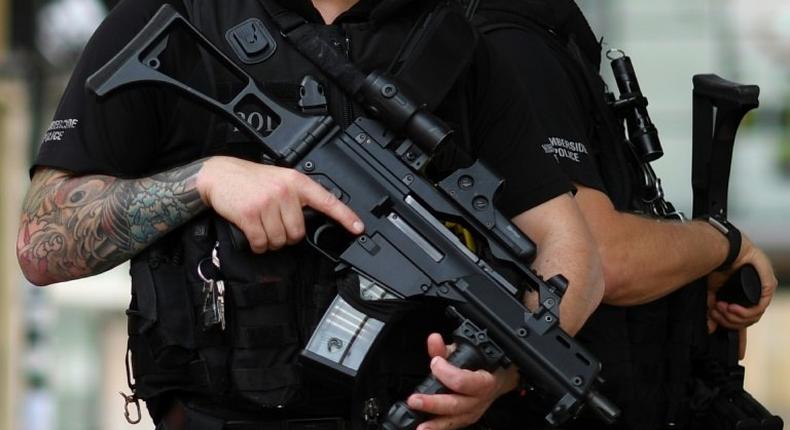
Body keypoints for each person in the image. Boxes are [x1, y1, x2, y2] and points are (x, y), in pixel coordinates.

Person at [16, 0, 605, 429]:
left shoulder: (453, 44)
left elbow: (570, 249)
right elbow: (42, 242)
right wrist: (205, 180)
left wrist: (493, 376)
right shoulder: (172, 18)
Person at [472, 1, 778, 429]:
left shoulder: (540, 33)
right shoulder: (513, 44)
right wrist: (724, 244)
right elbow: (601, 258)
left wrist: (683, 273)